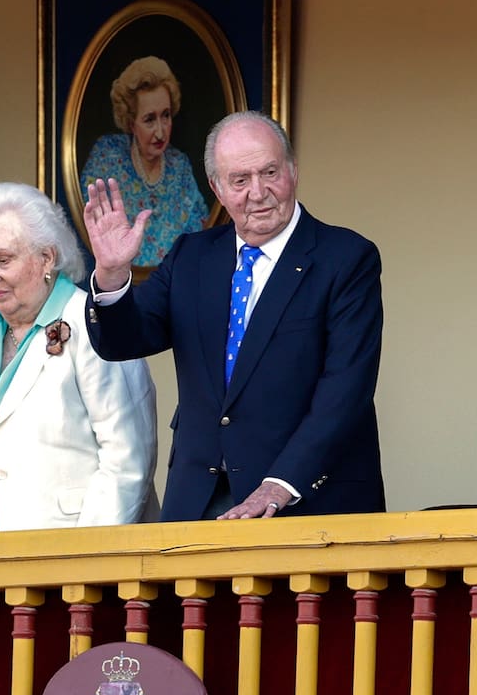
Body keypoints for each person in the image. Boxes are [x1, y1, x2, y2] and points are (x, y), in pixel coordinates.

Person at [83, 110, 385, 521]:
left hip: (306, 503)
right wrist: (113, 273)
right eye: (240, 180)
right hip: (199, 502)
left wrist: (281, 484)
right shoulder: (192, 257)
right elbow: (123, 341)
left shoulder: (345, 259)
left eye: (270, 173)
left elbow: (345, 391)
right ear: (217, 188)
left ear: (293, 172)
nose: (258, 192)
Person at [0, 182, 158, 534]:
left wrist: (86, 561)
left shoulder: (95, 326)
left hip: (55, 561)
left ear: (46, 257)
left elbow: (128, 460)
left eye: (2, 260)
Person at [80, 56, 209, 267]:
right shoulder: (107, 156)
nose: (160, 131)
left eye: (165, 116)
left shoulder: (180, 166)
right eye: (149, 119)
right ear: (131, 123)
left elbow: (200, 233)